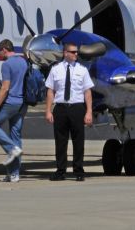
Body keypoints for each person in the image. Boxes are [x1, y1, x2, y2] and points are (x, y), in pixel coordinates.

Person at [45, 42, 94, 182]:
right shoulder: (55, 70)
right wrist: (48, 110)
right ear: (65, 53)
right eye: (73, 52)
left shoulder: (82, 70)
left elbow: (87, 92)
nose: (76, 54)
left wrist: (89, 111)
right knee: (60, 142)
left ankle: (79, 171)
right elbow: (50, 91)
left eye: (77, 52)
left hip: (77, 108)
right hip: (60, 108)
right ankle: (60, 171)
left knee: (78, 141)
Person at [0, 39, 27, 182]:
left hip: (11, 102)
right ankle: (14, 174)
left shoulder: (7, 64)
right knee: (16, 134)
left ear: (4, 49)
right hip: (23, 103)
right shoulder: (23, 62)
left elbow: (5, 88)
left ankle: (11, 149)